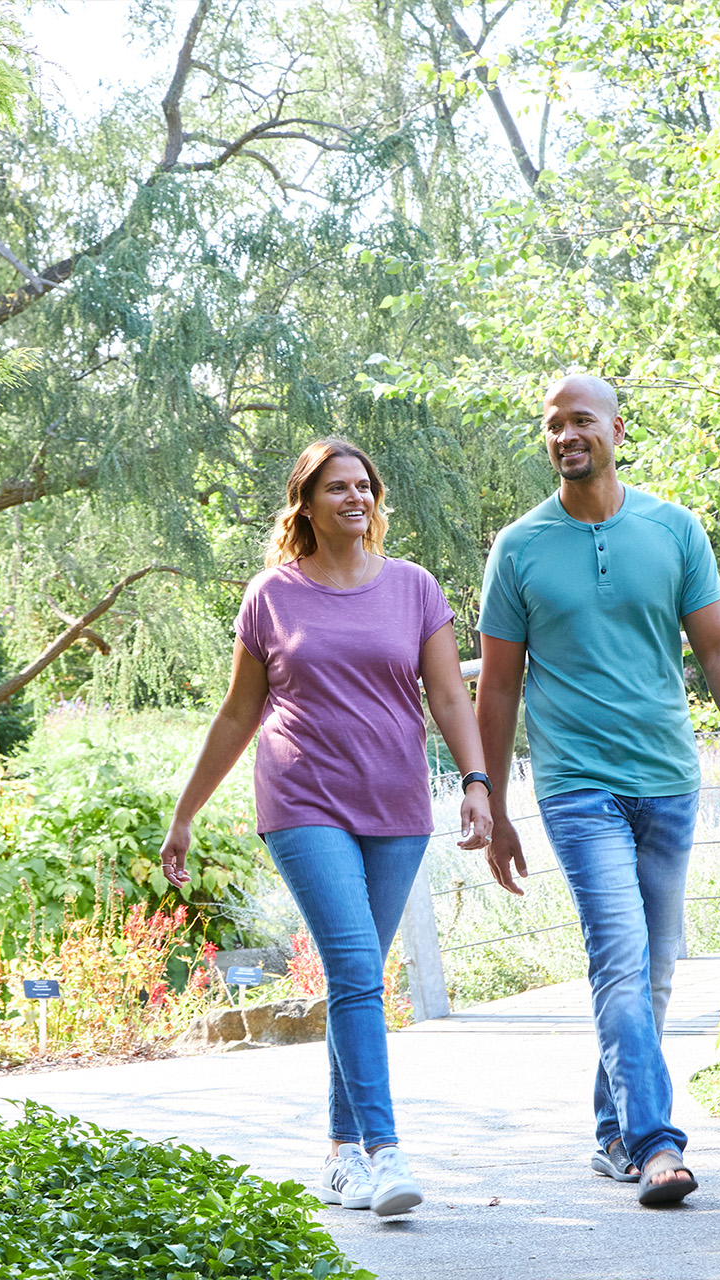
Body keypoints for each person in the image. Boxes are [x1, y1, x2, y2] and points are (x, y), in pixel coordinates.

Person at [161, 436, 493, 1218]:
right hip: (303, 799)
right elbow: (240, 712)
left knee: (359, 983)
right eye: (338, 488)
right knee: (354, 971)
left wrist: (477, 781)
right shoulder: (271, 596)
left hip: (397, 806)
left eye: (366, 486)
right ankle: (384, 1151)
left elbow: (449, 699)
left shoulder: (413, 588)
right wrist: (186, 811)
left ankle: (341, 1156)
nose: (357, 498)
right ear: (305, 505)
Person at [474, 374, 720, 1207]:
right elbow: (497, 688)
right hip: (577, 786)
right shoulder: (519, 548)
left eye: (582, 422)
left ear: (616, 430)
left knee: (658, 971)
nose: (567, 435)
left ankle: (612, 1131)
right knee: (619, 959)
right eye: (553, 424)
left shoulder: (673, 529)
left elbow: (716, 647)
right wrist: (492, 806)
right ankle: (655, 1144)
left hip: (668, 779)